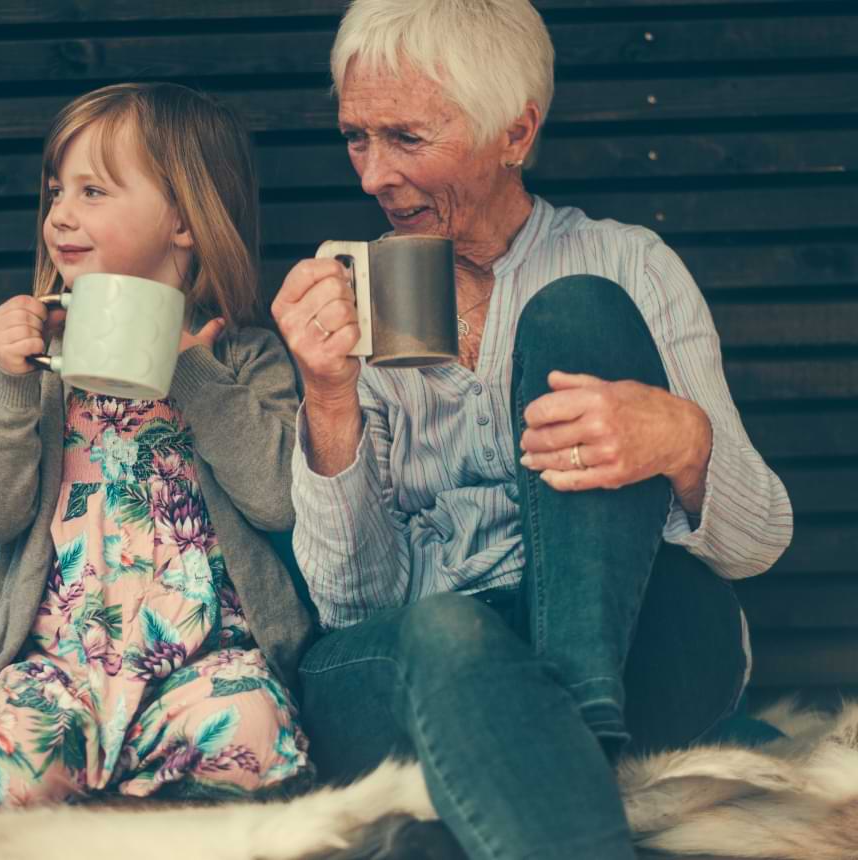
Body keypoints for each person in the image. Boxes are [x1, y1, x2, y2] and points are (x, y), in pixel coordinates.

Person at [271, 1, 793, 857]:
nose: (370, 175)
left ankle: (567, 708)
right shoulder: (349, 292)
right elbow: (354, 605)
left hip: (629, 648)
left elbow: (757, 542)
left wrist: (685, 442)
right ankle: (566, 744)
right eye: (356, 137)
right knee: (450, 632)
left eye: (405, 138)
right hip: (426, 664)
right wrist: (328, 396)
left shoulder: (634, 264)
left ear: (515, 132)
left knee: (581, 310)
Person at [0, 82, 313, 810]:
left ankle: (143, 779)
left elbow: (281, 499)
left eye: (92, 190)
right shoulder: (36, 363)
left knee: (251, 732)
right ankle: (106, 778)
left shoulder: (245, 360)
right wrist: (7, 380)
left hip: (205, 664)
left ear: (185, 221)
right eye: (56, 192)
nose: (60, 214)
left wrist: (191, 369)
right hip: (59, 668)